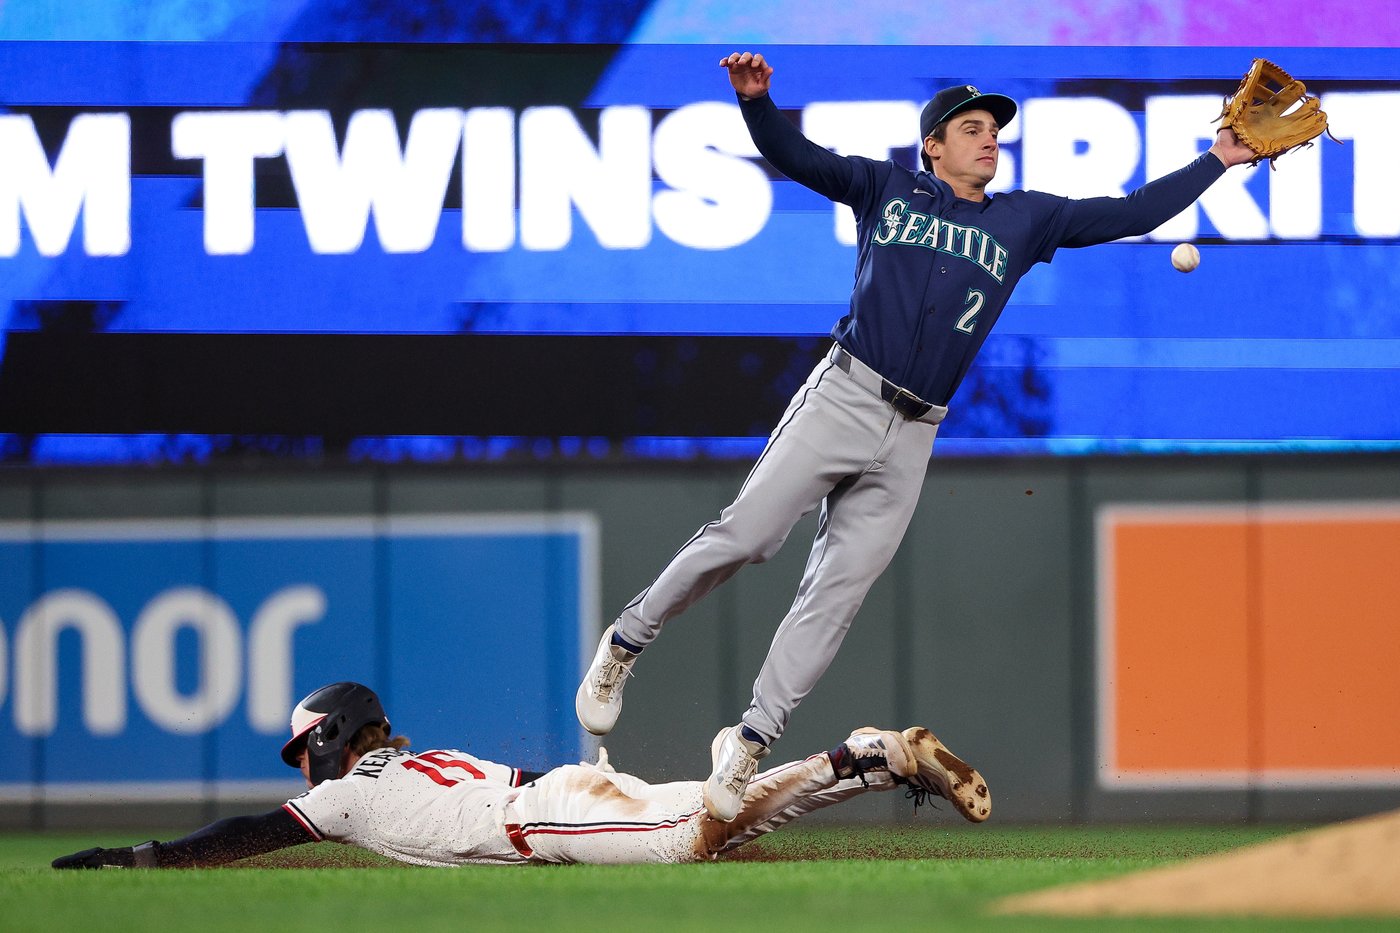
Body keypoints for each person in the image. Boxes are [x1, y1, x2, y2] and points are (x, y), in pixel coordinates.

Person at [576, 50, 1258, 821]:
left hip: (916, 431)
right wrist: (758, 106)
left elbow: (1130, 212)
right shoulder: (885, 187)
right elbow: (795, 157)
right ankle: (625, 644)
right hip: (846, 392)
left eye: (995, 129)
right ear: (933, 143)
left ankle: (749, 740)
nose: (990, 139)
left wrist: (1218, 159)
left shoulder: (1025, 218)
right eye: (972, 128)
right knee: (749, 536)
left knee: (837, 592)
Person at [52, 681, 990, 869]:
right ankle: (867, 759)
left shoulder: (340, 794)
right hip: (556, 795)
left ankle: (735, 760)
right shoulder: (422, 755)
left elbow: (245, 834)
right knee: (727, 830)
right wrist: (602, 785)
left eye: (305, 747)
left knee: (691, 844)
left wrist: (146, 857)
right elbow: (539, 770)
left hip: (540, 823)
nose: (307, 765)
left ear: (333, 736)